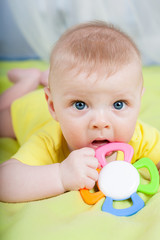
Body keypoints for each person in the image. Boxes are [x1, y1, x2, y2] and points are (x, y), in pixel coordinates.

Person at [0, 21, 160, 203]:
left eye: (118, 104)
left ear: (139, 102)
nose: (100, 122)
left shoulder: (140, 137)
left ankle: (47, 78)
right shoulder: (49, 141)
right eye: (80, 105)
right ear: (53, 107)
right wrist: (60, 176)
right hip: (27, 110)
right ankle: (27, 81)